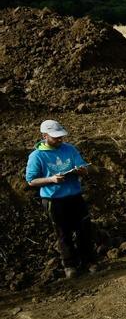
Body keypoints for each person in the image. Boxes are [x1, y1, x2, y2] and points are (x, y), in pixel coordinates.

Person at [25, 120, 97, 279]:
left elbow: (85, 167)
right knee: (63, 233)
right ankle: (70, 265)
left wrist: (83, 170)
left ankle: (89, 261)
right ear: (44, 136)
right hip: (54, 200)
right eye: (55, 137)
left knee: (84, 230)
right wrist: (51, 180)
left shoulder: (70, 149)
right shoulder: (37, 156)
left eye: (61, 137)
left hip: (75, 196)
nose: (59, 140)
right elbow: (31, 181)